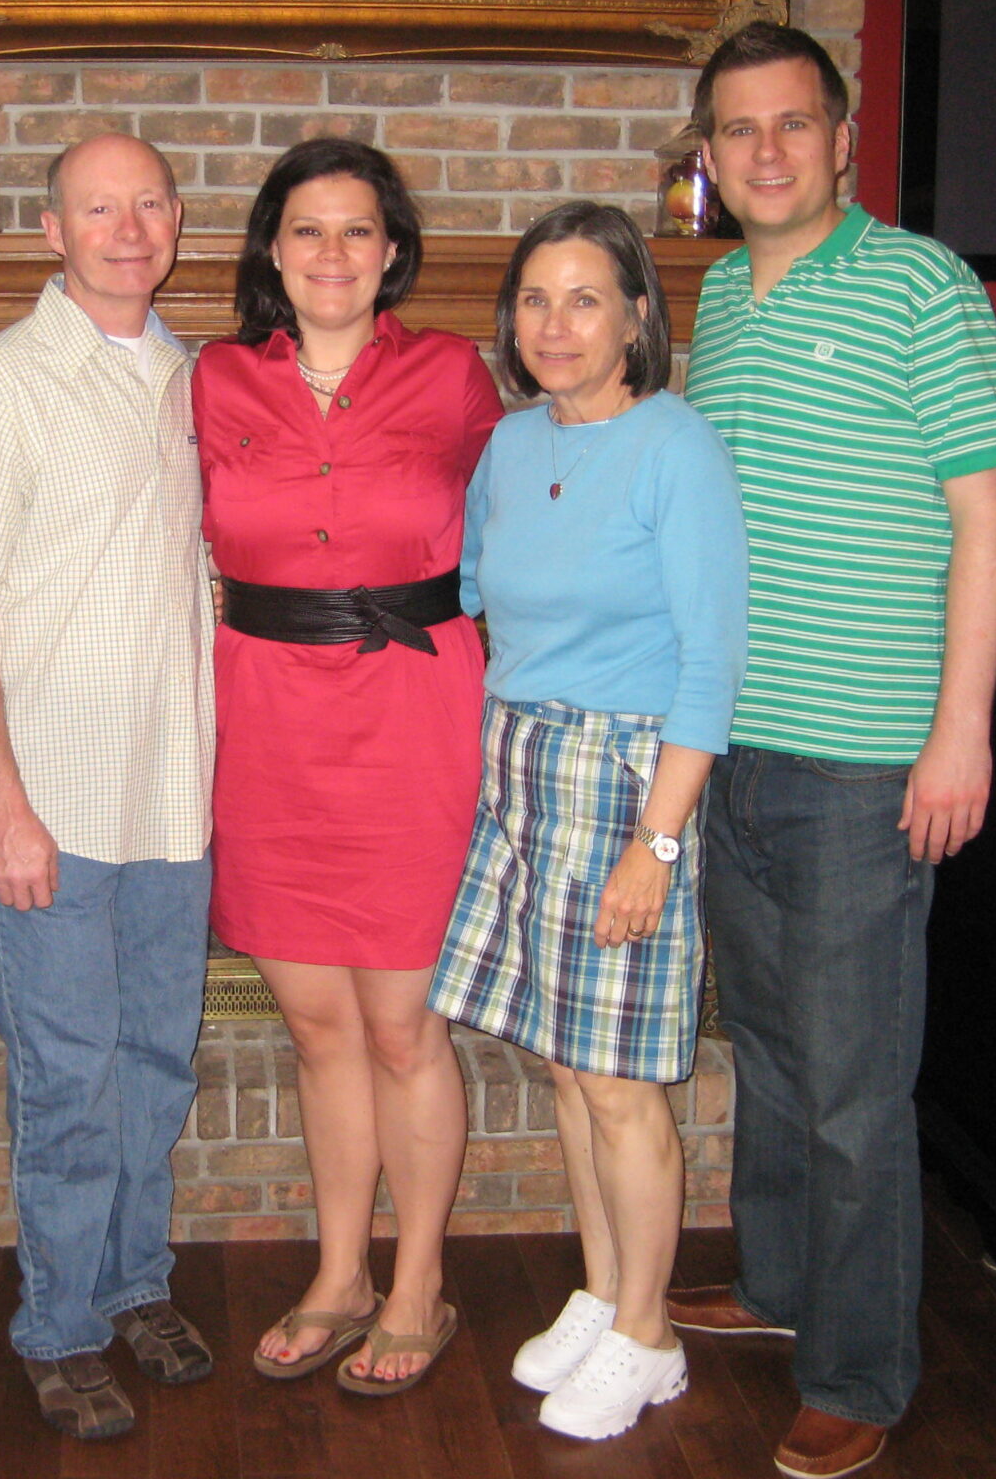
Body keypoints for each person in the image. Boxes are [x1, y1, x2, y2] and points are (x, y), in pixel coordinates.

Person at [672, 23, 996, 1479]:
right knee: (768, 1051)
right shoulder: (718, 297)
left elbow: (988, 517)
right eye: (737, 128)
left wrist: (960, 733)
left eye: (792, 123)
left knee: (853, 1085)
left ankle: (859, 1370)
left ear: (840, 135)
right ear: (708, 154)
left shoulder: (921, 287)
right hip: (736, 750)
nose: (766, 151)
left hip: (866, 762)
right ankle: (778, 1281)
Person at [430, 200, 748, 1443]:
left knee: (619, 1082)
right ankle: (606, 1292)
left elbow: (711, 662)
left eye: (582, 299)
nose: (552, 325)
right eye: (532, 299)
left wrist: (655, 844)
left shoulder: (676, 446)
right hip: (520, 765)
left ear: (633, 319)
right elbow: (468, 595)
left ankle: (650, 1336)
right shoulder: (510, 447)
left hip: (627, 777)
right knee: (567, 1062)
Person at [192, 138, 504, 1394]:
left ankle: (416, 1283)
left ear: (390, 252)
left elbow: (518, 520)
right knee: (317, 1026)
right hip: (266, 722)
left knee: (402, 1027)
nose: (332, 252)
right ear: (272, 251)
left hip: (413, 717)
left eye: (357, 229)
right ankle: (339, 1275)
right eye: (307, 229)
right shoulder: (213, 380)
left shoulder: (451, 375)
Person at [0, 133, 216, 1441]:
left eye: (149, 204)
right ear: (52, 231)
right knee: (69, 1080)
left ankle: (134, 1283)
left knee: (154, 1066)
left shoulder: (191, 382)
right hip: (49, 810)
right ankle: (59, 1326)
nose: (128, 228)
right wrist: (2, 807)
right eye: (99, 208)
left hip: (173, 802)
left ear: (176, 223)